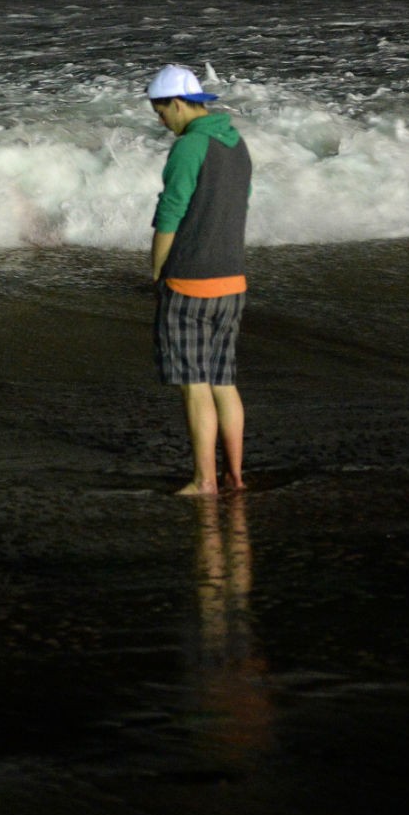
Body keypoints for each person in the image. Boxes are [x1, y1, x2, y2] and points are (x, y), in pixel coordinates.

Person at [147, 65, 252, 495]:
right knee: (224, 383)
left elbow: (169, 215)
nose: (161, 121)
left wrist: (156, 272)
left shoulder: (190, 147)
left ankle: (204, 480)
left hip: (190, 281)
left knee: (195, 386)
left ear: (177, 104)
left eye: (160, 112)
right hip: (233, 281)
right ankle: (236, 476)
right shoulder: (238, 145)